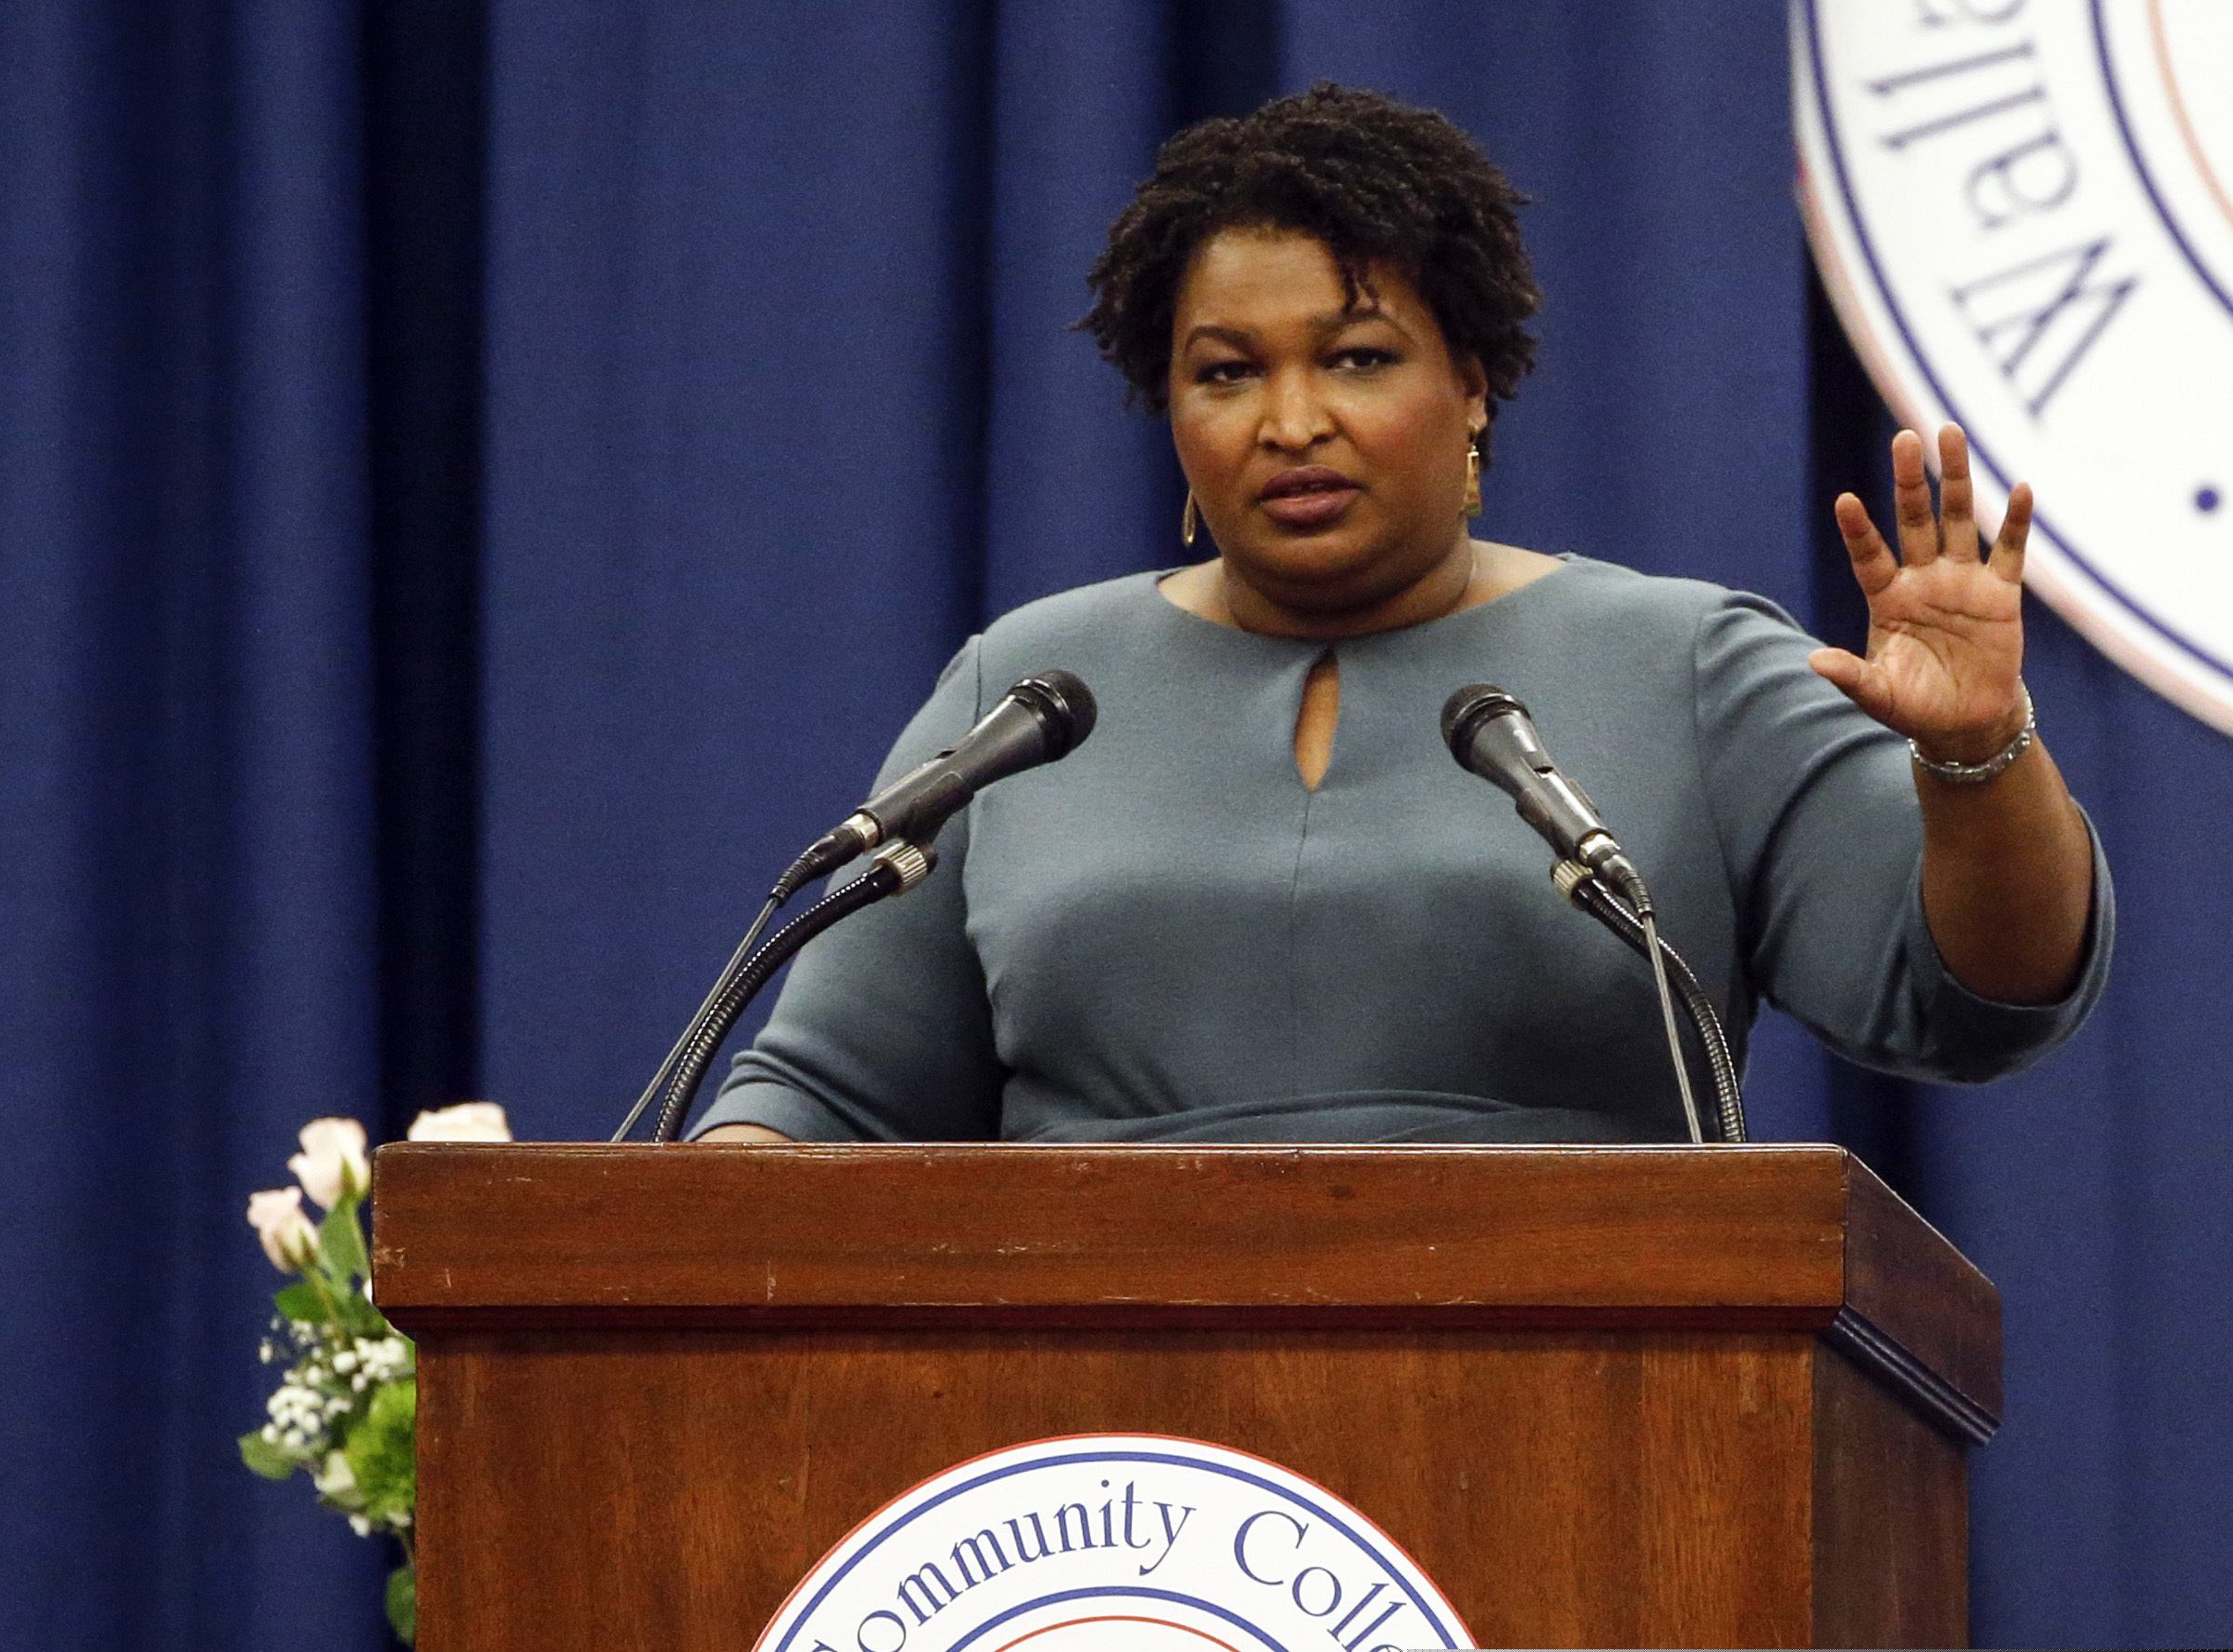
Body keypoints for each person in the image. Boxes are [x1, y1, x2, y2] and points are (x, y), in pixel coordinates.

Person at [690, 84, 2107, 1147]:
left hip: (1596, 1413)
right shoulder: (1030, 688)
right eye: (1227, 373)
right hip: (1093, 1475)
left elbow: (1980, 994)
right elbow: (819, 1094)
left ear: (1475, 380)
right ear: (1167, 407)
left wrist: (1979, 754)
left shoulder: (1686, 665)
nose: (1292, 423)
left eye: (1359, 359)